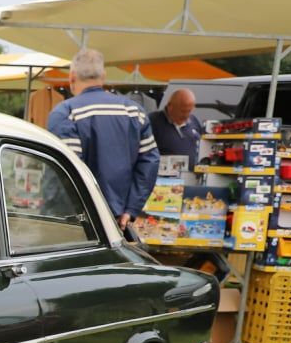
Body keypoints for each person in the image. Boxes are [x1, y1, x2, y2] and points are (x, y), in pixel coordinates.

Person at [47, 49, 159, 229]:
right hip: (118, 220)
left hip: (77, 222)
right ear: (104, 76)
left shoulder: (66, 113)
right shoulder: (134, 111)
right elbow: (150, 162)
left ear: (72, 77)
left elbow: (65, 172)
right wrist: (131, 209)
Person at [149, 87, 203, 165]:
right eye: (182, 111)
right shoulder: (153, 121)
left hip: (192, 172)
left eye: (189, 111)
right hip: (163, 171)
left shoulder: (194, 120)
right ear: (170, 106)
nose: (186, 115)